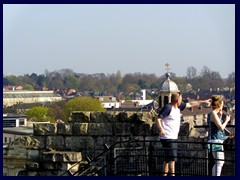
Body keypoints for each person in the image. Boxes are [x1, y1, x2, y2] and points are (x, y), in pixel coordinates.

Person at [155, 92, 211, 176]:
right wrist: (161, 129)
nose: (182, 100)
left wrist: (203, 102)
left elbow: (191, 104)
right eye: (181, 99)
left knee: (167, 159)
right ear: (177, 100)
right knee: (172, 160)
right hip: (168, 137)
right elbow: (158, 118)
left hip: (171, 137)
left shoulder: (177, 107)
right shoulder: (168, 107)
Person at [207, 95, 231, 176]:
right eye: (222, 104)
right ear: (218, 104)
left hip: (216, 140)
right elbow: (220, 127)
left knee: (219, 162)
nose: (223, 106)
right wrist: (227, 120)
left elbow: (218, 126)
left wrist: (227, 131)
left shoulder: (215, 114)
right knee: (220, 162)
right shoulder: (213, 113)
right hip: (215, 140)